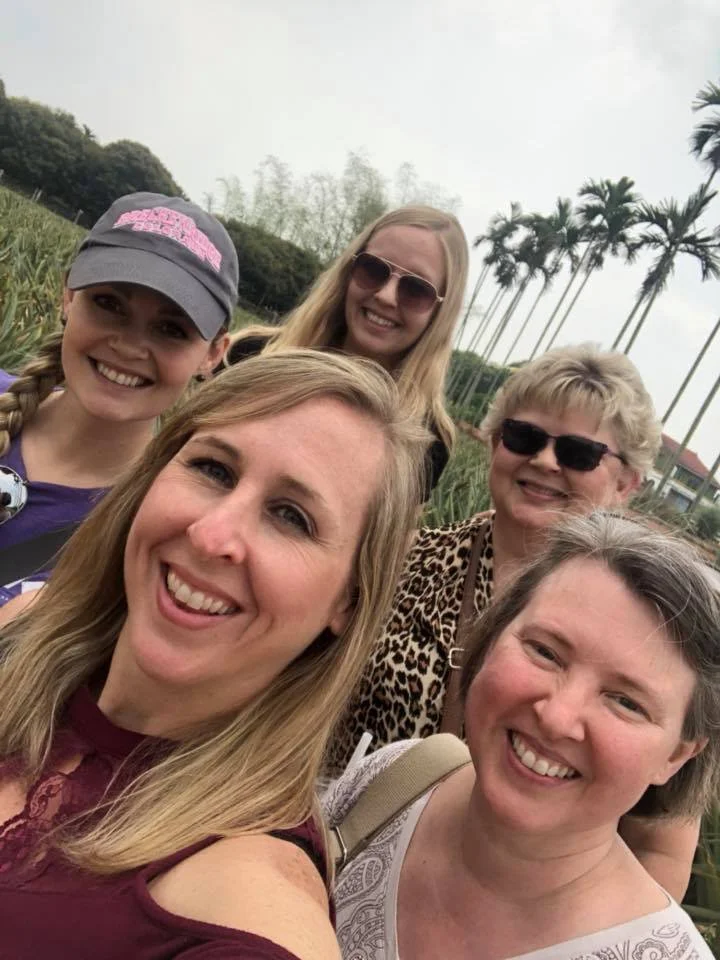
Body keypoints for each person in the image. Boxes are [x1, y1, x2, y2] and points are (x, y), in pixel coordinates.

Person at [0, 350, 428, 959]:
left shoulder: (244, 911)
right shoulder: (20, 630)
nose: (211, 534)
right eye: (214, 469)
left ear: (349, 602)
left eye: (291, 516)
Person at [329, 343, 702, 900]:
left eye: (578, 452)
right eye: (524, 437)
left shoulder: (654, 629)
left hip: (509, 911)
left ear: (627, 484)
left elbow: (660, 840)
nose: (545, 462)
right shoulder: (402, 560)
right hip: (342, 859)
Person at [325, 513, 719, 960]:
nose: (556, 717)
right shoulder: (393, 779)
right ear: (492, 636)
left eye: (626, 701)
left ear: (678, 755)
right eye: (545, 651)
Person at [0, 191, 237, 606]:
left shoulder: (151, 535)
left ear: (213, 355)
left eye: (171, 329)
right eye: (109, 304)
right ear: (69, 295)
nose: (129, 347)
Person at [225, 205, 469, 495]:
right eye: (373, 269)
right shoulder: (251, 355)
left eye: (416, 289)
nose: (386, 296)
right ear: (348, 270)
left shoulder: (426, 443)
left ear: (441, 312)